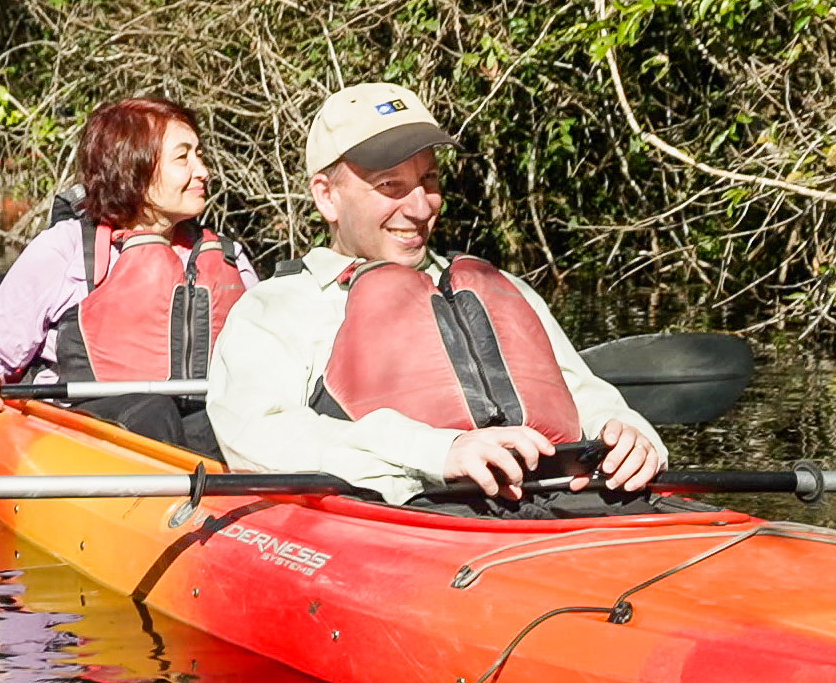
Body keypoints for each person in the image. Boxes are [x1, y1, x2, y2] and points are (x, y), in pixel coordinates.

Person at [204, 82, 666, 505]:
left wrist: (628, 433)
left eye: (429, 180)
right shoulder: (277, 308)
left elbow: (581, 392)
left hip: (560, 503)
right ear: (327, 197)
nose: (421, 207)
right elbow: (256, 433)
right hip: (408, 525)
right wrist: (436, 451)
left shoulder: (501, 288)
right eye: (391, 186)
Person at [0, 95, 258, 454]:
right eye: (183, 158)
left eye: (199, 156)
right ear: (134, 167)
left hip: (199, 442)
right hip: (93, 440)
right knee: (153, 412)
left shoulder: (229, 257)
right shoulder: (67, 250)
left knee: (221, 422)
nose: (202, 171)